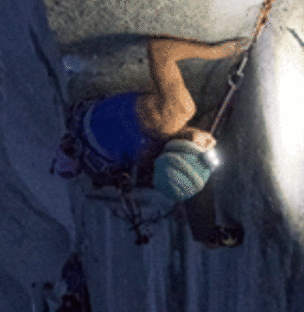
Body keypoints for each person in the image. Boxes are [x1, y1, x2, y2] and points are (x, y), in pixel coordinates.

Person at [52, 35, 248, 202]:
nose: (210, 143)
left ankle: (68, 161)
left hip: (100, 122)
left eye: (203, 150)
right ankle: (68, 160)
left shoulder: (174, 113)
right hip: (92, 136)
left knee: (184, 113)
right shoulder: (152, 158)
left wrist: (217, 52)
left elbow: (159, 49)